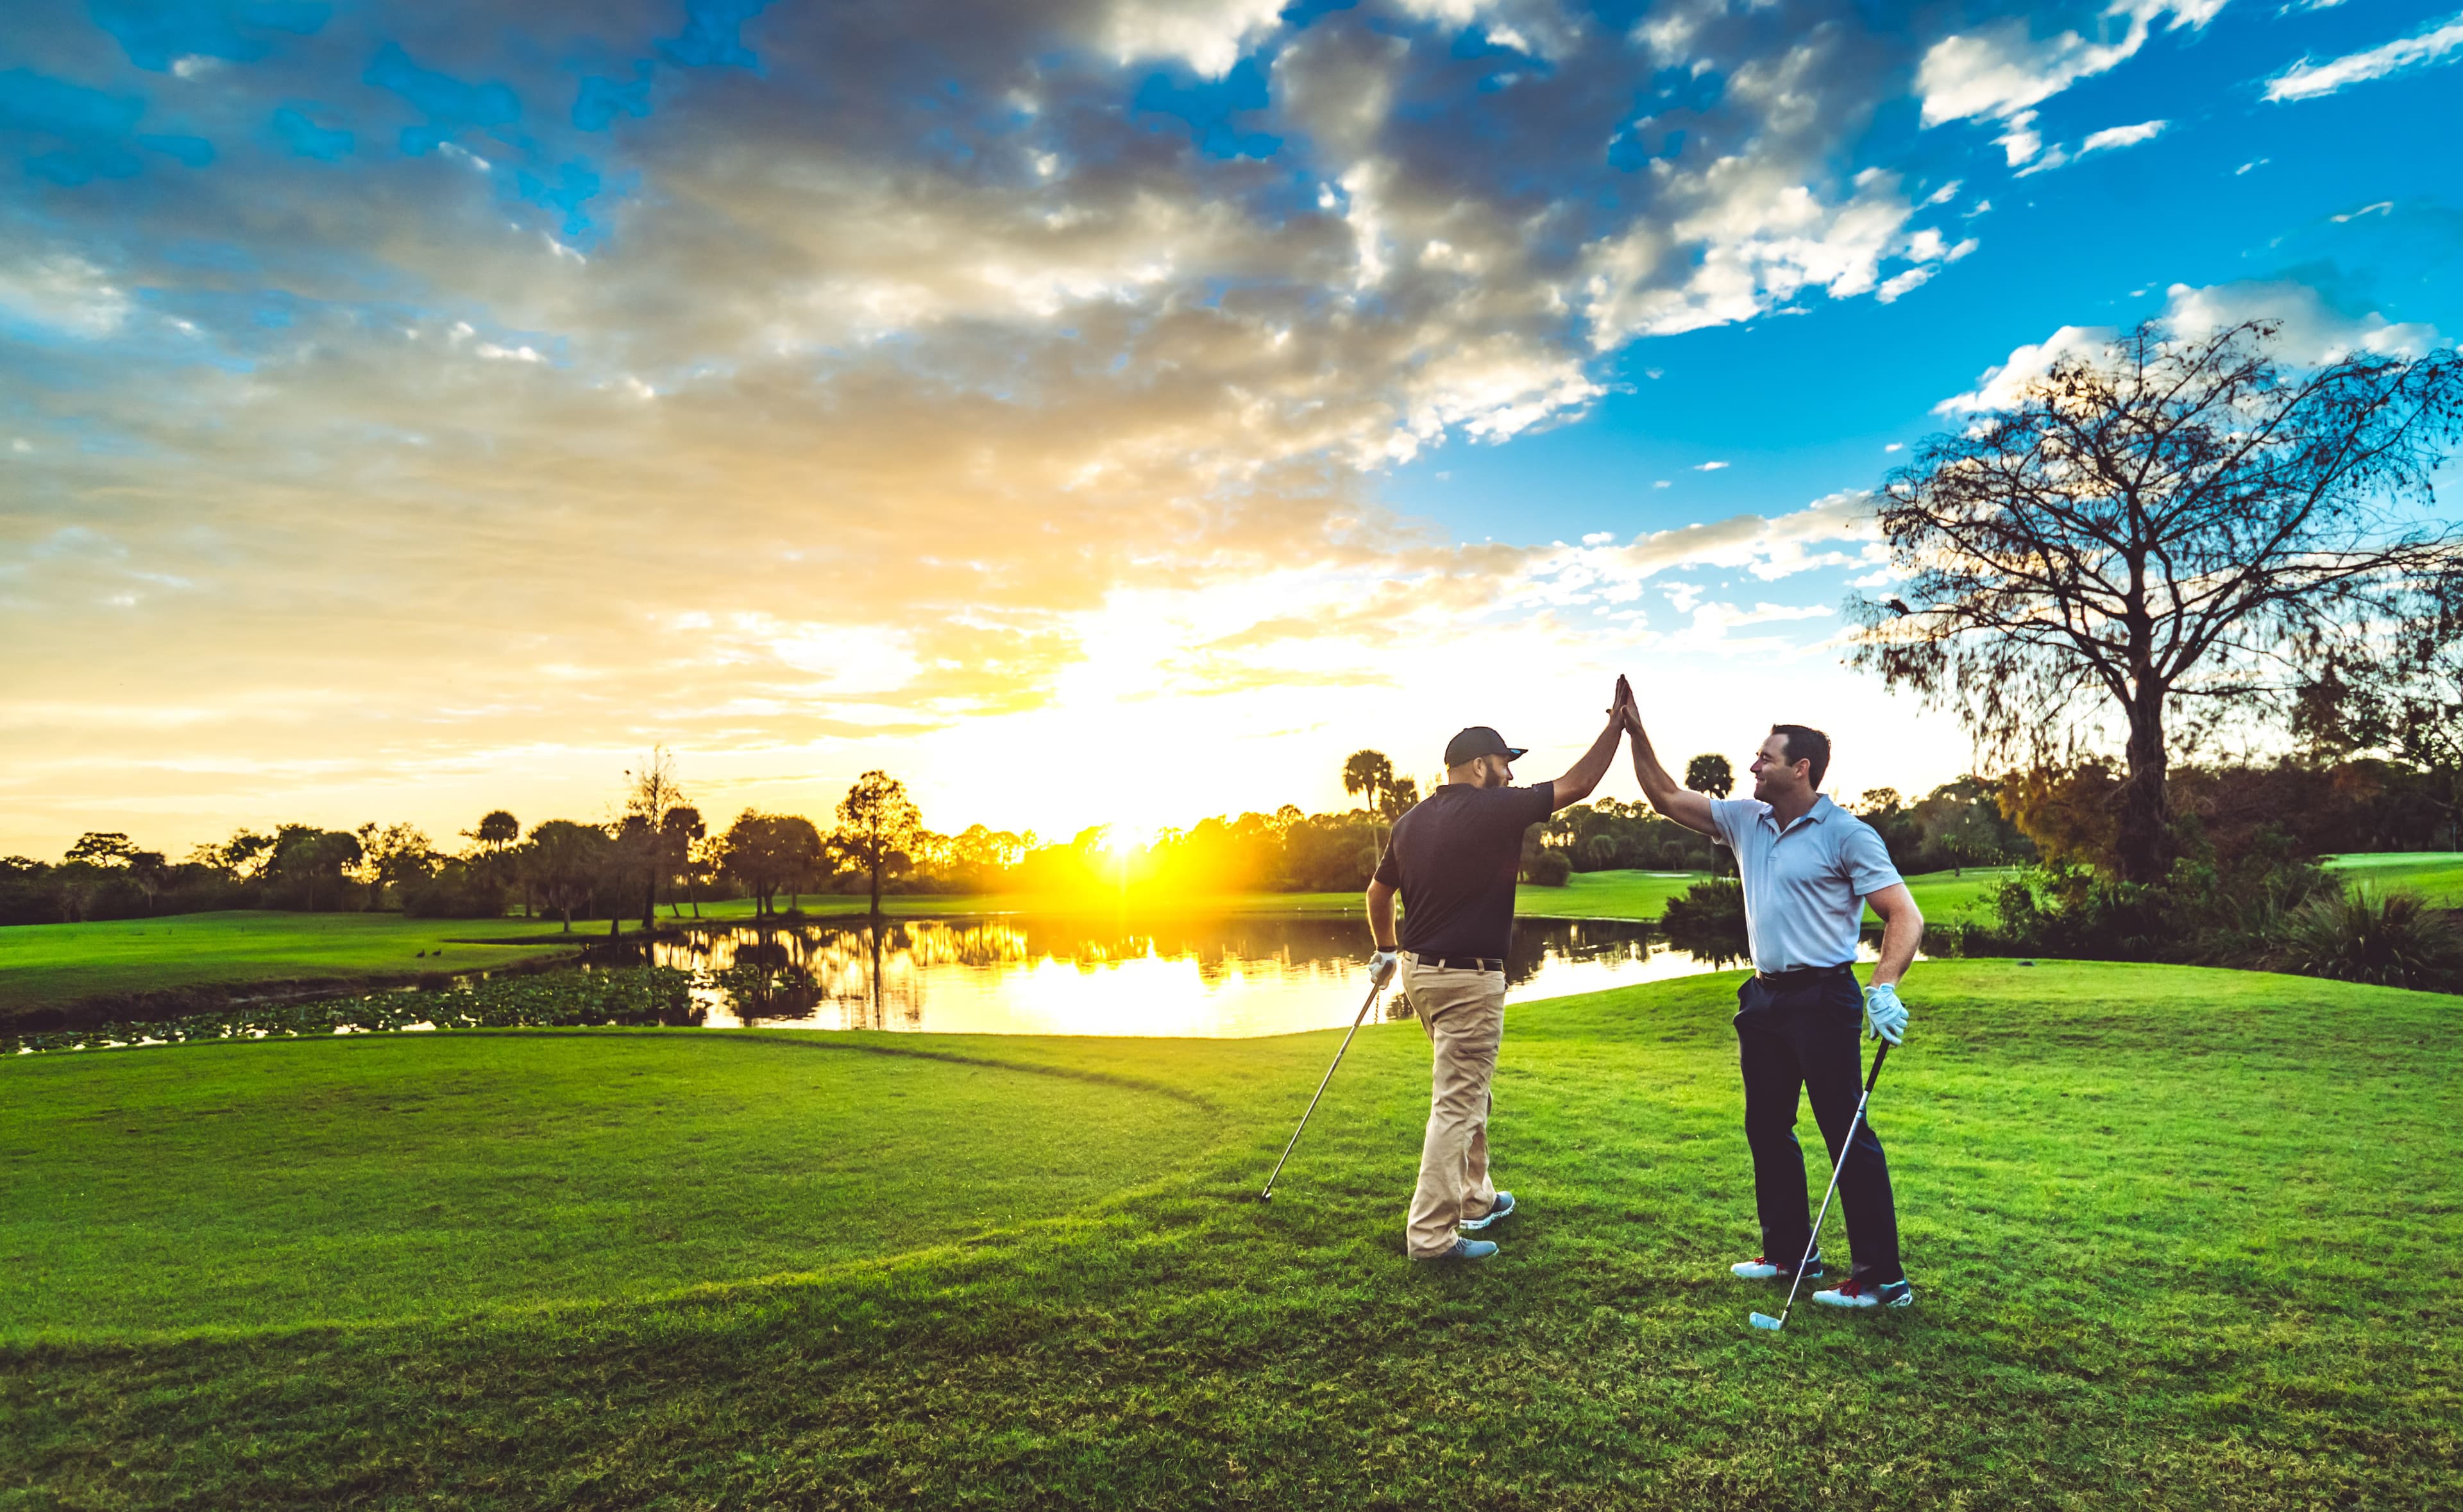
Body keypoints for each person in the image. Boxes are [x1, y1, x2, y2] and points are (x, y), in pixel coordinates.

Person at [1617, 698, 1925, 1309]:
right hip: (1765, 997)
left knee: (1844, 1132)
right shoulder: (1745, 820)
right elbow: (1666, 798)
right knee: (1767, 1126)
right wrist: (1635, 731)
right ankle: (1790, 1253)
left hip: (1824, 996)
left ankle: (1881, 1279)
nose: (1752, 765)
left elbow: (1904, 915)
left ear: (1801, 768)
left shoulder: (1846, 834)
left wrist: (1884, 987)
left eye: (1765, 757)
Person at [1366, 684, 1629, 1262]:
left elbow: (1378, 891)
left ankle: (1476, 1199)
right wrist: (1617, 726)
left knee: (1468, 1091)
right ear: (1481, 766)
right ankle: (1432, 1238)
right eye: (1506, 765)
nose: (1512, 777)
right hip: (1467, 980)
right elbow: (1579, 785)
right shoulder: (1496, 807)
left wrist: (1386, 950)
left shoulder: (1410, 821)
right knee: (1458, 1102)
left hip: (1421, 975)